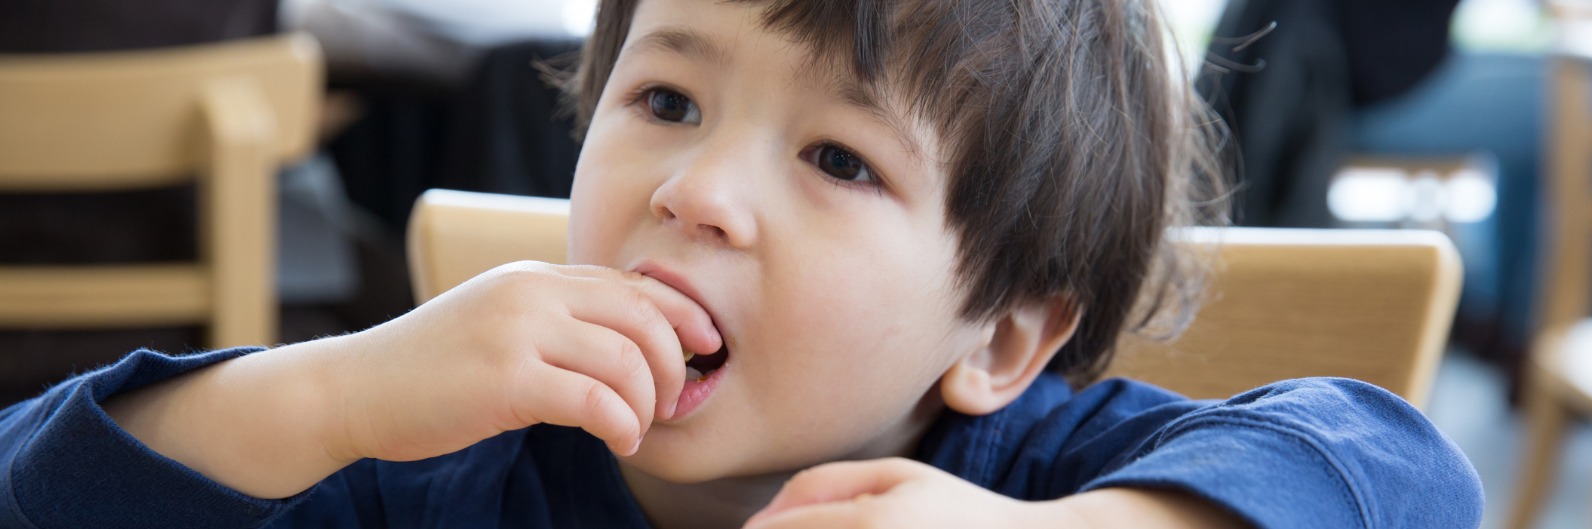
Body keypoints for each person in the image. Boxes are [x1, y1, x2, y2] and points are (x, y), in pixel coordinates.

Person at [0, 0, 1483, 528]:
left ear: (1001, 339)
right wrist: (330, 396)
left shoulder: (1028, 470)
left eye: (840, 159)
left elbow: (1412, 474)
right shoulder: (439, 465)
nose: (699, 190)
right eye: (666, 102)